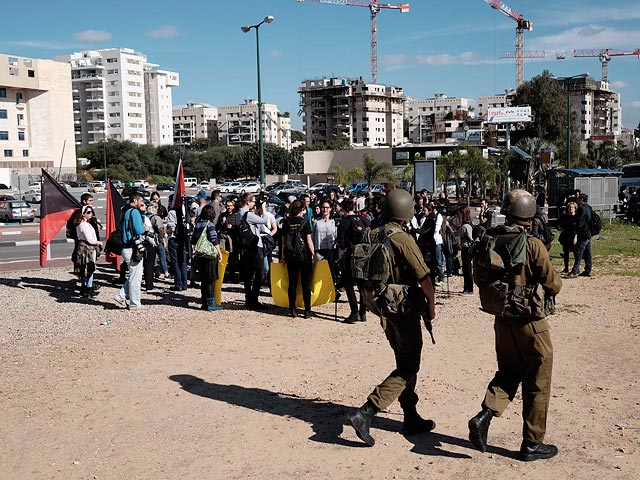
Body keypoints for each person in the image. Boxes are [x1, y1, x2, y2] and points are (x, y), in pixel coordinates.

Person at [468, 189, 562, 462]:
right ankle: (532, 444)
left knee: (509, 371)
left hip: (503, 322)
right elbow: (553, 283)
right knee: (538, 381)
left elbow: (478, 278)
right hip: (531, 324)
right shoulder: (532, 244)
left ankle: (484, 416)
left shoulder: (491, 240)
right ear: (529, 213)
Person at [346, 188, 437, 447]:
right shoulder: (402, 238)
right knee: (409, 366)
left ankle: (410, 416)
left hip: (383, 308)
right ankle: (366, 412)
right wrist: (431, 307)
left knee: (403, 359)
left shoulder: (371, 233)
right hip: (404, 309)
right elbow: (424, 278)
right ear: (406, 212)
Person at [281, 199, 315, 318]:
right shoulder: (305, 222)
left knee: (293, 283)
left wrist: (283, 256)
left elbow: (283, 241)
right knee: (306, 284)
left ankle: (292, 309)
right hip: (304, 255)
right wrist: (314, 255)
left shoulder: (286, 222)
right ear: (302, 210)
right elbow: (309, 240)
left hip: (290, 255)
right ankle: (307, 310)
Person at [338, 198, 370, 323]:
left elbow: (341, 244)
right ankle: (363, 312)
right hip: (364, 256)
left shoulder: (344, 222)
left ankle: (354, 312)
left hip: (350, 256)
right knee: (362, 285)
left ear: (343, 209)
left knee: (348, 283)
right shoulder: (362, 220)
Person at [114, 192, 148, 309]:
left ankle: (121, 295)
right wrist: (146, 228)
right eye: (141, 201)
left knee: (134, 274)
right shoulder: (134, 212)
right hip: (132, 247)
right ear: (135, 201)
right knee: (136, 277)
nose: (142, 203)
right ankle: (134, 303)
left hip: (125, 246)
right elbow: (139, 229)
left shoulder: (125, 210)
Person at [237, 193, 269, 310]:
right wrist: (264, 208)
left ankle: (248, 299)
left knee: (248, 275)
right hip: (255, 247)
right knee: (262, 272)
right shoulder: (248, 214)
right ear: (248, 202)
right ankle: (254, 299)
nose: (255, 203)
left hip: (245, 249)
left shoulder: (238, 213)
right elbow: (264, 220)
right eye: (253, 201)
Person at [191, 204, 223, 311]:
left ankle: (204, 302)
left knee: (204, 280)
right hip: (209, 255)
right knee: (210, 280)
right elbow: (214, 239)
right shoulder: (210, 225)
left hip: (200, 254)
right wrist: (219, 252)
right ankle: (210, 303)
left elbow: (194, 239)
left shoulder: (198, 224)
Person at [74, 205, 102, 297]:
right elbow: (89, 239)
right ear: (83, 214)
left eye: (91, 212)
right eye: (88, 212)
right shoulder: (84, 225)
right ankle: (88, 289)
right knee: (90, 268)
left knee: (85, 268)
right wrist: (98, 242)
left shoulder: (81, 224)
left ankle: (84, 288)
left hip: (83, 247)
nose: (91, 214)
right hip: (88, 248)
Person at [312, 198, 338, 285]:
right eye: (323, 207)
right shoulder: (316, 222)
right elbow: (312, 237)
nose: (325, 209)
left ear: (330, 209)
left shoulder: (334, 221)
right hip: (319, 249)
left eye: (327, 207)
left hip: (331, 249)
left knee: (331, 271)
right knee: (320, 272)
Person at [566, 194, 593, 278]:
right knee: (587, 252)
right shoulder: (589, 207)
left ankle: (574, 271)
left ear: (581, 199)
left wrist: (576, 233)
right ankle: (588, 270)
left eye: (578, 199)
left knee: (578, 252)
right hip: (588, 232)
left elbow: (580, 222)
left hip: (583, 233)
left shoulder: (582, 209)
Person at [167, 194, 189, 291]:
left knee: (175, 262)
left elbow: (172, 228)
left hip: (174, 239)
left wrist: (166, 230)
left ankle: (178, 284)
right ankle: (184, 284)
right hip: (183, 239)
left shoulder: (172, 212)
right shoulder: (184, 212)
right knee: (183, 262)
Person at [147, 202, 169, 279]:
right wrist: (162, 239)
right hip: (157, 240)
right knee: (162, 256)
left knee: (152, 258)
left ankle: (154, 272)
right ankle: (166, 271)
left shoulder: (146, 217)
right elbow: (160, 230)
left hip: (148, 240)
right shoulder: (156, 218)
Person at [458, 206, 474, 295]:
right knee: (466, 268)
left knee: (467, 269)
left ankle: (470, 289)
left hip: (467, 249)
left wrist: (449, 227)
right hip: (468, 248)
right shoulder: (471, 223)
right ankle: (467, 287)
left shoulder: (465, 226)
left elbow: (456, 234)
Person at [558, 201, 577, 273]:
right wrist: (561, 228)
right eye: (569, 207)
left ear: (575, 208)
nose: (571, 209)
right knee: (566, 253)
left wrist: (576, 237)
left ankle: (576, 268)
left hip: (573, 236)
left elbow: (577, 228)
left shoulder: (576, 217)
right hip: (566, 237)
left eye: (572, 207)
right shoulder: (565, 217)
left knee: (575, 253)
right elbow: (559, 223)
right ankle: (566, 268)